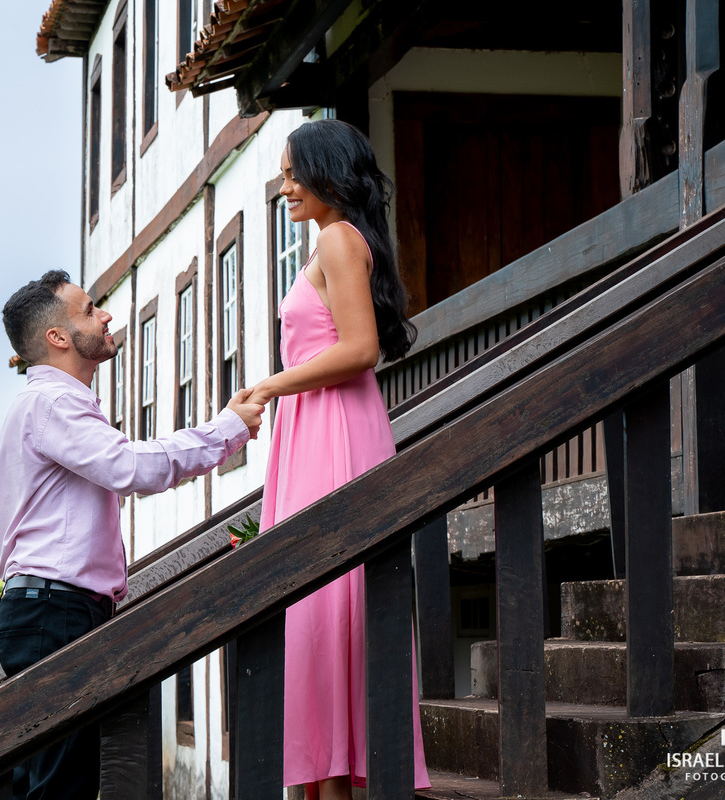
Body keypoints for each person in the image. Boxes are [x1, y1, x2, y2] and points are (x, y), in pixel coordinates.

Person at [0, 269, 264, 800]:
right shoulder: (52, 404)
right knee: (58, 789)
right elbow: (131, 467)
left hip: (51, 611)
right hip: (55, 614)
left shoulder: (45, 405)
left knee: (53, 782)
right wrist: (226, 429)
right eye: (91, 308)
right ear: (58, 337)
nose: (107, 314)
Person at [246, 120, 430, 800]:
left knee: (328, 602)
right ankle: (327, 782)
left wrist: (271, 383)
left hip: (333, 426)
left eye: (294, 172)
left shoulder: (336, 239)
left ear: (329, 174)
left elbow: (358, 350)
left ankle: (336, 785)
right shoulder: (338, 242)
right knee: (318, 607)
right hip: (318, 423)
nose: (285, 186)